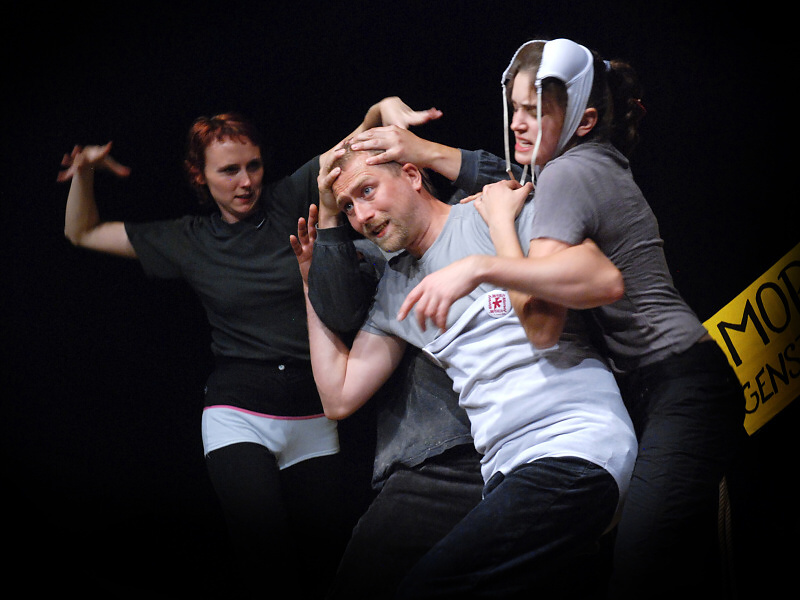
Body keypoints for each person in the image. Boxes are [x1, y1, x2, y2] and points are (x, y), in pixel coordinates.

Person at [356, 38, 747, 598]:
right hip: (654, 385)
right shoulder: (569, 170)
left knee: (642, 568)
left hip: (678, 379)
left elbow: (546, 322)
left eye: (535, 111)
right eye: (515, 107)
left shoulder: (565, 174)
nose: (518, 123)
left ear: (583, 121)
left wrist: (485, 252)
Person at [56, 98, 441, 597]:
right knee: (267, 560)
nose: (245, 182)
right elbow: (81, 231)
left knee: (328, 565)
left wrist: (380, 108)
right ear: (199, 176)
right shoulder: (190, 239)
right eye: (229, 171)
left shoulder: (290, 196)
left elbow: (350, 145)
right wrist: (84, 173)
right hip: (238, 414)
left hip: (312, 417)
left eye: (253, 166)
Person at [290, 142, 637, 598]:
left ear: (412, 175)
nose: (363, 215)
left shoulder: (493, 213)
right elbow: (338, 396)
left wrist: (482, 264)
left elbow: (602, 277)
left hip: (574, 448)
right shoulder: (397, 291)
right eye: (349, 206)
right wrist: (309, 282)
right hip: (508, 477)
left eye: (368, 191)